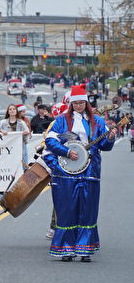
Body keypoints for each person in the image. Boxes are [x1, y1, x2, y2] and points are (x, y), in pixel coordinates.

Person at [43, 85, 117, 262]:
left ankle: (85, 249)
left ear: (86, 103)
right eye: (75, 103)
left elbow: (104, 146)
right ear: (71, 103)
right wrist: (67, 152)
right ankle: (66, 249)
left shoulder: (97, 121)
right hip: (65, 172)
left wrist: (111, 137)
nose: (78, 106)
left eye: (81, 103)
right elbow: (50, 141)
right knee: (67, 209)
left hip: (90, 171)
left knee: (88, 209)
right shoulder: (61, 120)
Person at [0, 104, 31, 168]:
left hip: (20, 147)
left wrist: (25, 134)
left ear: (16, 111)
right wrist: (1, 131)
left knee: (20, 165)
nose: (12, 111)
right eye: (10, 109)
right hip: (6, 148)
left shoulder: (22, 123)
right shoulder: (2, 122)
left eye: (14, 109)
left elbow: (27, 135)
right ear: (8, 111)